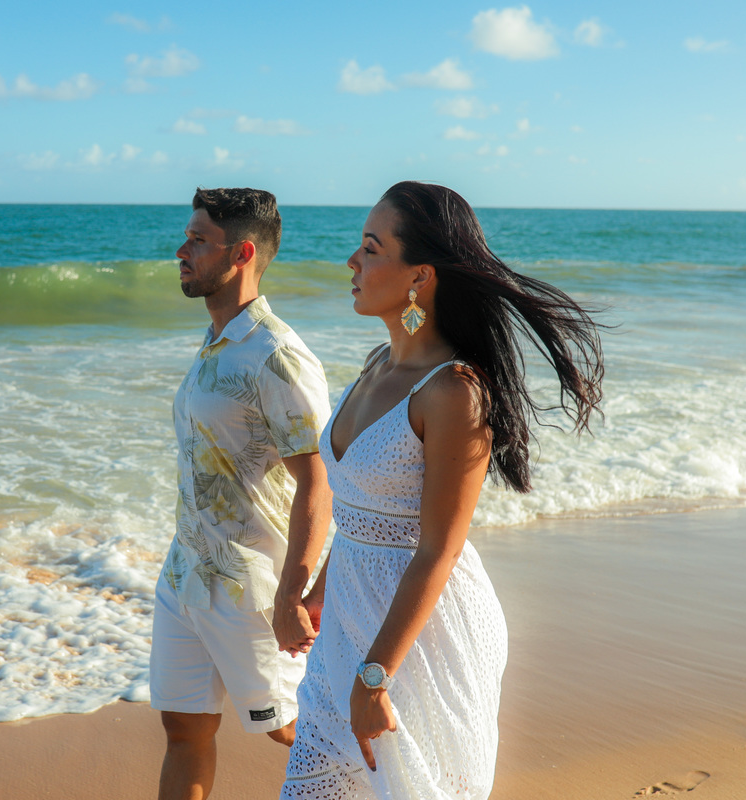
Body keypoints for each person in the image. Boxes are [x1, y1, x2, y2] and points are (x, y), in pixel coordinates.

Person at [282, 182, 604, 799]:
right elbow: (363, 514)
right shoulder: (377, 363)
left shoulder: (453, 391)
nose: (351, 262)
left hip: (421, 643)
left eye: (371, 249)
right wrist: (321, 590)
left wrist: (375, 676)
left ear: (419, 276)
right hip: (349, 625)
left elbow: (437, 549)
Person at [152, 187, 334, 800]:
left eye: (199, 239)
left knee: (298, 730)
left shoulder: (277, 355)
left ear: (242, 252)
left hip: (249, 585)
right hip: (186, 576)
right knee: (183, 729)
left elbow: (318, 482)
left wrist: (295, 595)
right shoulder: (216, 340)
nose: (182, 249)